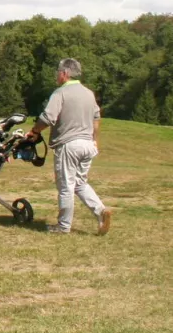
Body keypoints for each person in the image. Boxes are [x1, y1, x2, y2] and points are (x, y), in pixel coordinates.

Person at [24, 58, 112, 236]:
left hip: (69, 144)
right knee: (80, 183)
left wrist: (34, 131)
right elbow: (96, 118)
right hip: (88, 144)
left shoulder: (60, 93)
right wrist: (95, 141)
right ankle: (101, 211)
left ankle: (63, 227)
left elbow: (48, 117)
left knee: (66, 186)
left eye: (58, 72)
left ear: (64, 73)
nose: (57, 75)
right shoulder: (89, 93)